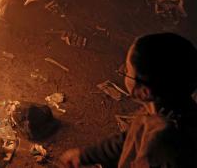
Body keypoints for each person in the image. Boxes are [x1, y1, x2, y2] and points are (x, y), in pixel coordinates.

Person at [59, 32, 197, 167]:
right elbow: (128, 139)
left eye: (127, 72)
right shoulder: (168, 107)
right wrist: (86, 155)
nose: (124, 73)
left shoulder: (161, 146)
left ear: (145, 92)